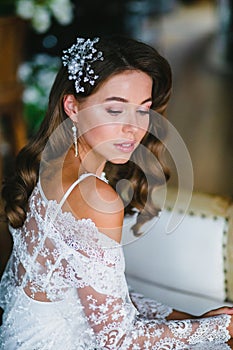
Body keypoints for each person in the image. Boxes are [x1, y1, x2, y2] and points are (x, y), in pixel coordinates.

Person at [0, 36, 233, 350]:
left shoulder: (50, 161)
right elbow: (116, 339)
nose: (133, 128)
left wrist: (195, 320)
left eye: (143, 111)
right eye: (114, 110)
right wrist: (220, 328)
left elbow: (98, 296)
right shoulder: (96, 198)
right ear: (73, 107)